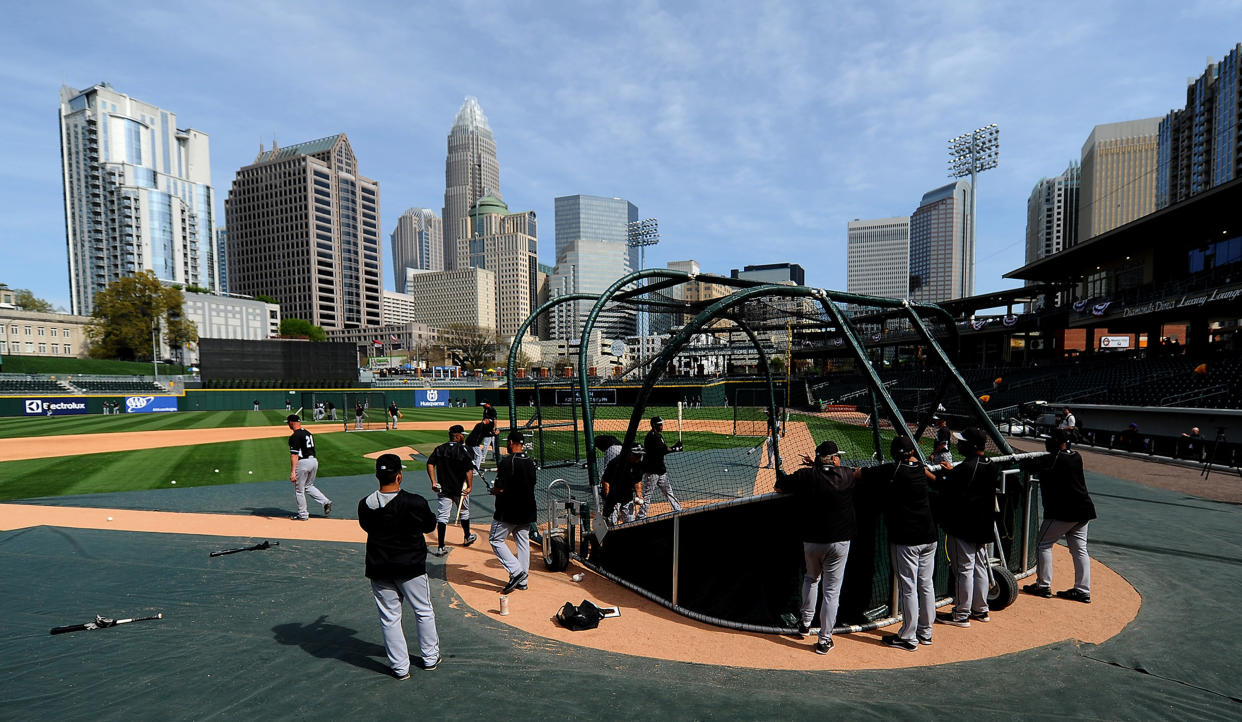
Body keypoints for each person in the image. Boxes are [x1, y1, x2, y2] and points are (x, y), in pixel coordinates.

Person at [357, 453, 440, 678]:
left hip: (379, 568)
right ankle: (430, 657)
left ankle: (400, 668)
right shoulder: (415, 502)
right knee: (423, 611)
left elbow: (367, 527)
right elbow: (429, 525)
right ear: (399, 476)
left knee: (389, 618)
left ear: (377, 476)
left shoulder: (365, 504)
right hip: (410, 567)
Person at [854, 436, 938, 651]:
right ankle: (925, 632)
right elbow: (934, 478)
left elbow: (858, 474)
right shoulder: (919, 468)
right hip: (929, 536)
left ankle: (908, 637)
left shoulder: (891, 470)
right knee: (925, 584)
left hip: (907, 539)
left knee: (908, 588)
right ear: (911, 452)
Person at [775, 439, 855, 654]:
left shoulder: (806, 476)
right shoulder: (847, 474)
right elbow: (849, 473)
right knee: (831, 591)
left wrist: (814, 468)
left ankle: (805, 623)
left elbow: (779, 485)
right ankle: (824, 639)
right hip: (839, 543)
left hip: (812, 542)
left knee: (811, 579)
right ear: (834, 459)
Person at [1023, 428, 1096, 603]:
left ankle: (1043, 586)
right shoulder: (1076, 456)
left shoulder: (1052, 459)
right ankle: (1082, 590)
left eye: (1049, 440)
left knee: (1043, 544)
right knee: (1080, 550)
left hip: (1063, 513)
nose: (1046, 442)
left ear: (1056, 442)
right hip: (1083, 511)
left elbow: (1028, 466)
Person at [934, 427, 997, 628]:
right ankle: (980, 609)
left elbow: (945, 485)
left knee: (964, 569)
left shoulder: (967, 468)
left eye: (963, 442)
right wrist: (953, 472)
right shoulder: (989, 463)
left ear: (974, 445)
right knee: (978, 567)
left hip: (964, 526)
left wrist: (928, 473)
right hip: (982, 525)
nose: (959, 444)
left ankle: (961, 614)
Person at [489, 431, 537, 594]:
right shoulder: (530, 462)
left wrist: (493, 490)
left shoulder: (506, 461)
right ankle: (523, 581)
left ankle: (516, 572)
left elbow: (500, 487)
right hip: (528, 509)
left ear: (510, 442)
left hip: (508, 510)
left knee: (495, 540)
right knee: (523, 542)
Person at [425, 424, 477, 555]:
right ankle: (467, 537)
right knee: (464, 513)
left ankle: (441, 547)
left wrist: (434, 482)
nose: (463, 436)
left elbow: (430, 463)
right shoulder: (464, 450)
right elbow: (468, 470)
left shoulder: (440, 449)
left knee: (442, 517)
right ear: (458, 436)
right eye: (462, 435)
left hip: (444, 489)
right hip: (461, 489)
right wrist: (470, 486)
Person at [286, 414, 332, 520]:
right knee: (309, 486)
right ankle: (325, 501)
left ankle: (303, 514)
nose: (288, 425)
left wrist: (293, 471)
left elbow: (294, 454)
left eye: (288, 423)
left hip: (303, 463)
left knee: (299, 490)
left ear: (292, 423)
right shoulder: (307, 433)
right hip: (314, 461)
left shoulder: (295, 436)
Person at [638, 416, 683, 519]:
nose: (662, 426)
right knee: (647, 495)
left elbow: (664, 449)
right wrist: (676, 448)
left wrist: (674, 447)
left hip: (660, 470)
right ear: (654, 425)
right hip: (652, 471)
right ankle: (641, 517)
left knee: (669, 492)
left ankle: (678, 510)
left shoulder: (657, 436)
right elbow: (663, 450)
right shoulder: (652, 437)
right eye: (660, 424)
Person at [602, 444, 646, 524]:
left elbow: (637, 481)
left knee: (631, 522)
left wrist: (639, 495)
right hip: (613, 497)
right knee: (612, 523)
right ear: (630, 453)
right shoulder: (616, 463)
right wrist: (608, 498)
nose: (639, 457)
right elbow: (605, 481)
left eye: (640, 455)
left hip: (627, 496)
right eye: (636, 455)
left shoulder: (638, 464)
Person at [465, 418, 496, 485]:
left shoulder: (479, 425)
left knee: (471, 456)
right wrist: (493, 433)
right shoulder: (482, 426)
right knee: (479, 455)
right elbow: (488, 432)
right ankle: (475, 471)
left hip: (469, 441)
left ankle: (469, 469)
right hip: (474, 443)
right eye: (488, 421)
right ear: (486, 420)